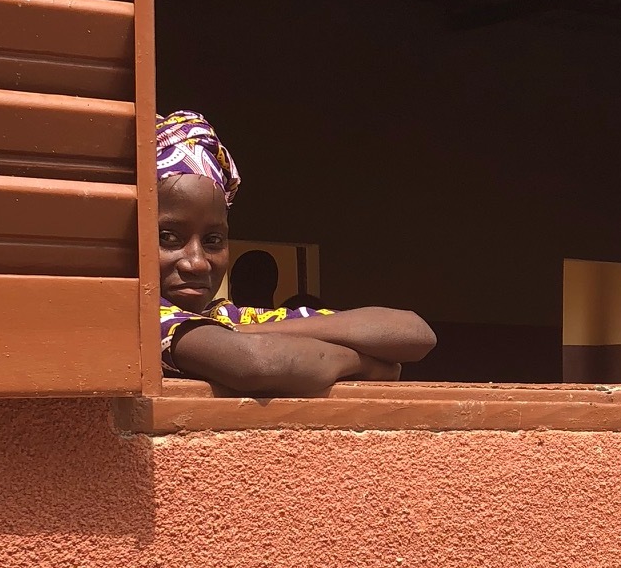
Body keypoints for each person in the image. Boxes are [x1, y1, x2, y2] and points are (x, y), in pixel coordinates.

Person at [156, 111, 435, 395]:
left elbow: (413, 333)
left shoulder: (227, 318)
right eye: (167, 237)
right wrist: (367, 365)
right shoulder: (148, 323)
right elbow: (260, 362)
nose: (197, 262)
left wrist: (245, 332)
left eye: (213, 240)